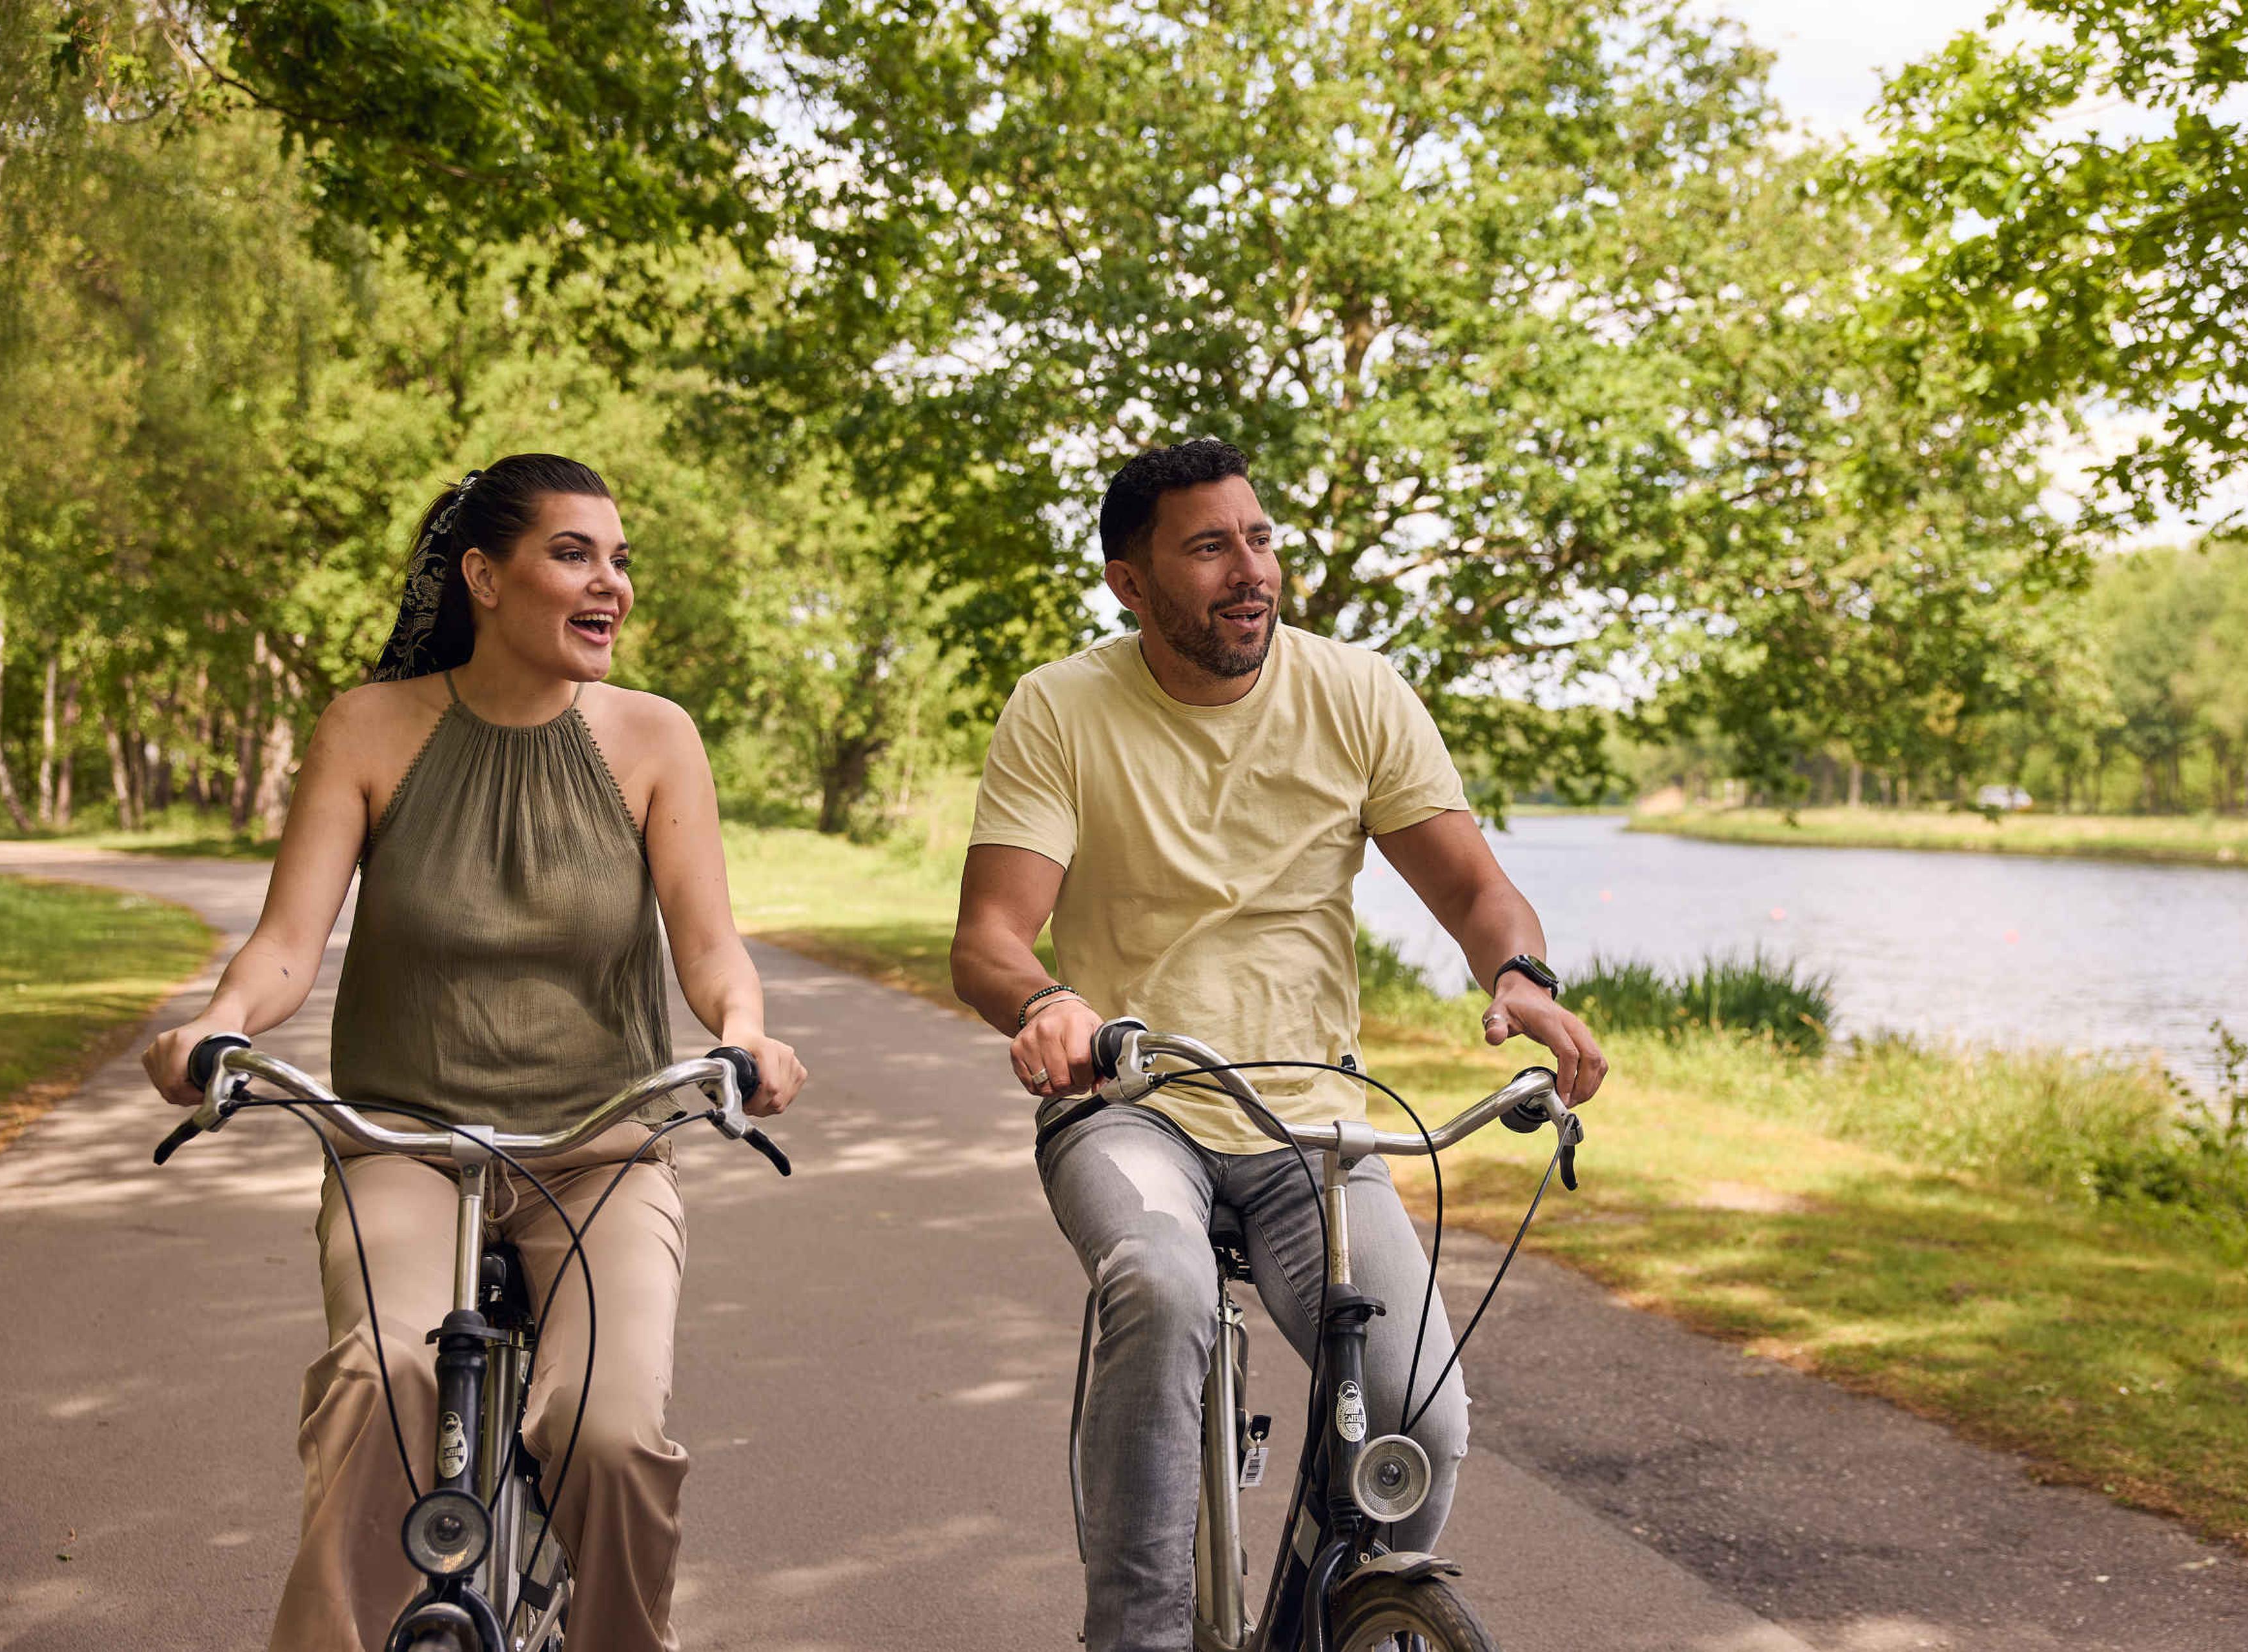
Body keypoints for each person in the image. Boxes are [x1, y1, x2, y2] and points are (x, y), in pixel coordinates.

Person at [950, 436, 1607, 1649]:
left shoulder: (1355, 692)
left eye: (1258, 539)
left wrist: (1520, 974)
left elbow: (1476, 893)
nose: (1249, 570)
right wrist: (1049, 1005)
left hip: (1314, 1122)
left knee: (1419, 1417)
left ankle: (1315, 1629)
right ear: (1130, 584)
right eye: (1209, 547)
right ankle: (1138, 1637)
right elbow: (991, 937)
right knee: (1160, 1285)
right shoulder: (1062, 707)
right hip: (1133, 1103)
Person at [142, 453, 807, 1652]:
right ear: (484, 578)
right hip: (402, 1143)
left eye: (619, 559)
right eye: (574, 554)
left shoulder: (656, 739)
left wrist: (745, 1039)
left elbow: (713, 954)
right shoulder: (369, 726)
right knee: (380, 1381)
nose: (611, 583)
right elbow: (286, 947)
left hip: (601, 1154)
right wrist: (218, 1030)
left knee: (608, 1434)